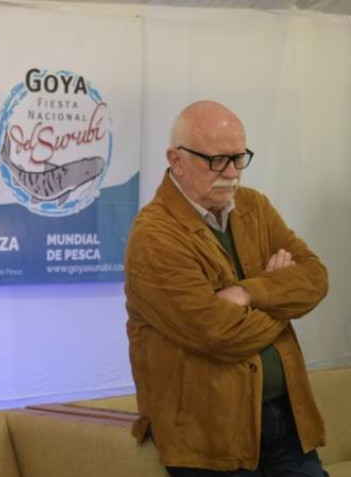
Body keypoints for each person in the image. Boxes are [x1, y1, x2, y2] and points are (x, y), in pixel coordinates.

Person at [124, 100, 329, 476]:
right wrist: (281, 300)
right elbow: (217, 332)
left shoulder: (255, 207)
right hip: (208, 434)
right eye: (217, 160)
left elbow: (315, 277)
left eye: (239, 158)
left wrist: (249, 294)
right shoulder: (154, 234)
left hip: (286, 421)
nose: (232, 173)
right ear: (176, 160)